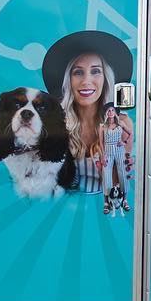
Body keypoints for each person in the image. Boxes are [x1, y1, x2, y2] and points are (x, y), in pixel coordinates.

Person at [42, 30, 134, 198]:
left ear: (106, 78)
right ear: (68, 80)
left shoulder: (122, 123)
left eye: (95, 71)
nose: (86, 81)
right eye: (78, 72)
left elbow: (117, 184)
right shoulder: (54, 124)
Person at [97, 105, 131, 214]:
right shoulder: (102, 126)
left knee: (123, 173)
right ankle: (106, 202)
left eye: (112, 110)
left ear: (115, 112)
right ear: (106, 113)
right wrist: (103, 155)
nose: (110, 112)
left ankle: (124, 200)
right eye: (108, 110)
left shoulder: (120, 123)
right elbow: (101, 142)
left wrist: (124, 142)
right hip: (108, 151)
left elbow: (130, 133)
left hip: (119, 150)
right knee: (106, 174)